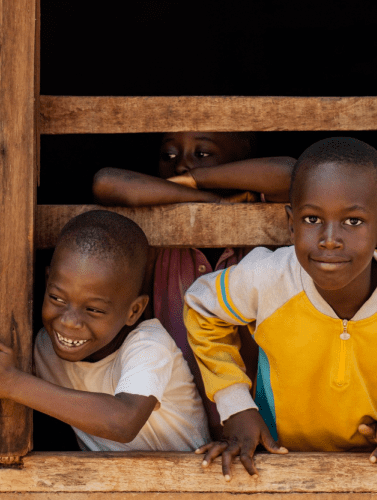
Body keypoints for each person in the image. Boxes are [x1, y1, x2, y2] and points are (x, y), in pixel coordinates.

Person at [184, 137, 377, 479]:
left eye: (353, 222)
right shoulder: (268, 277)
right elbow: (202, 306)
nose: (329, 239)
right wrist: (236, 406)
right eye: (312, 219)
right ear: (291, 223)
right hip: (274, 459)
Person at [92, 132, 295, 438]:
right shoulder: (159, 228)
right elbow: (106, 183)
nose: (181, 166)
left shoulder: (261, 215)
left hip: (258, 423)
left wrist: (197, 180)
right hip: (179, 428)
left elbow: (291, 174)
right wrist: (209, 200)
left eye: (202, 154)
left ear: (242, 158)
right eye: (169, 156)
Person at [0, 210, 209, 451]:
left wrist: (13, 383)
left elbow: (124, 422)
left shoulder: (149, 345)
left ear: (134, 311)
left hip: (186, 474)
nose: (69, 322)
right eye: (57, 298)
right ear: (46, 281)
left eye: (93, 310)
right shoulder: (42, 349)